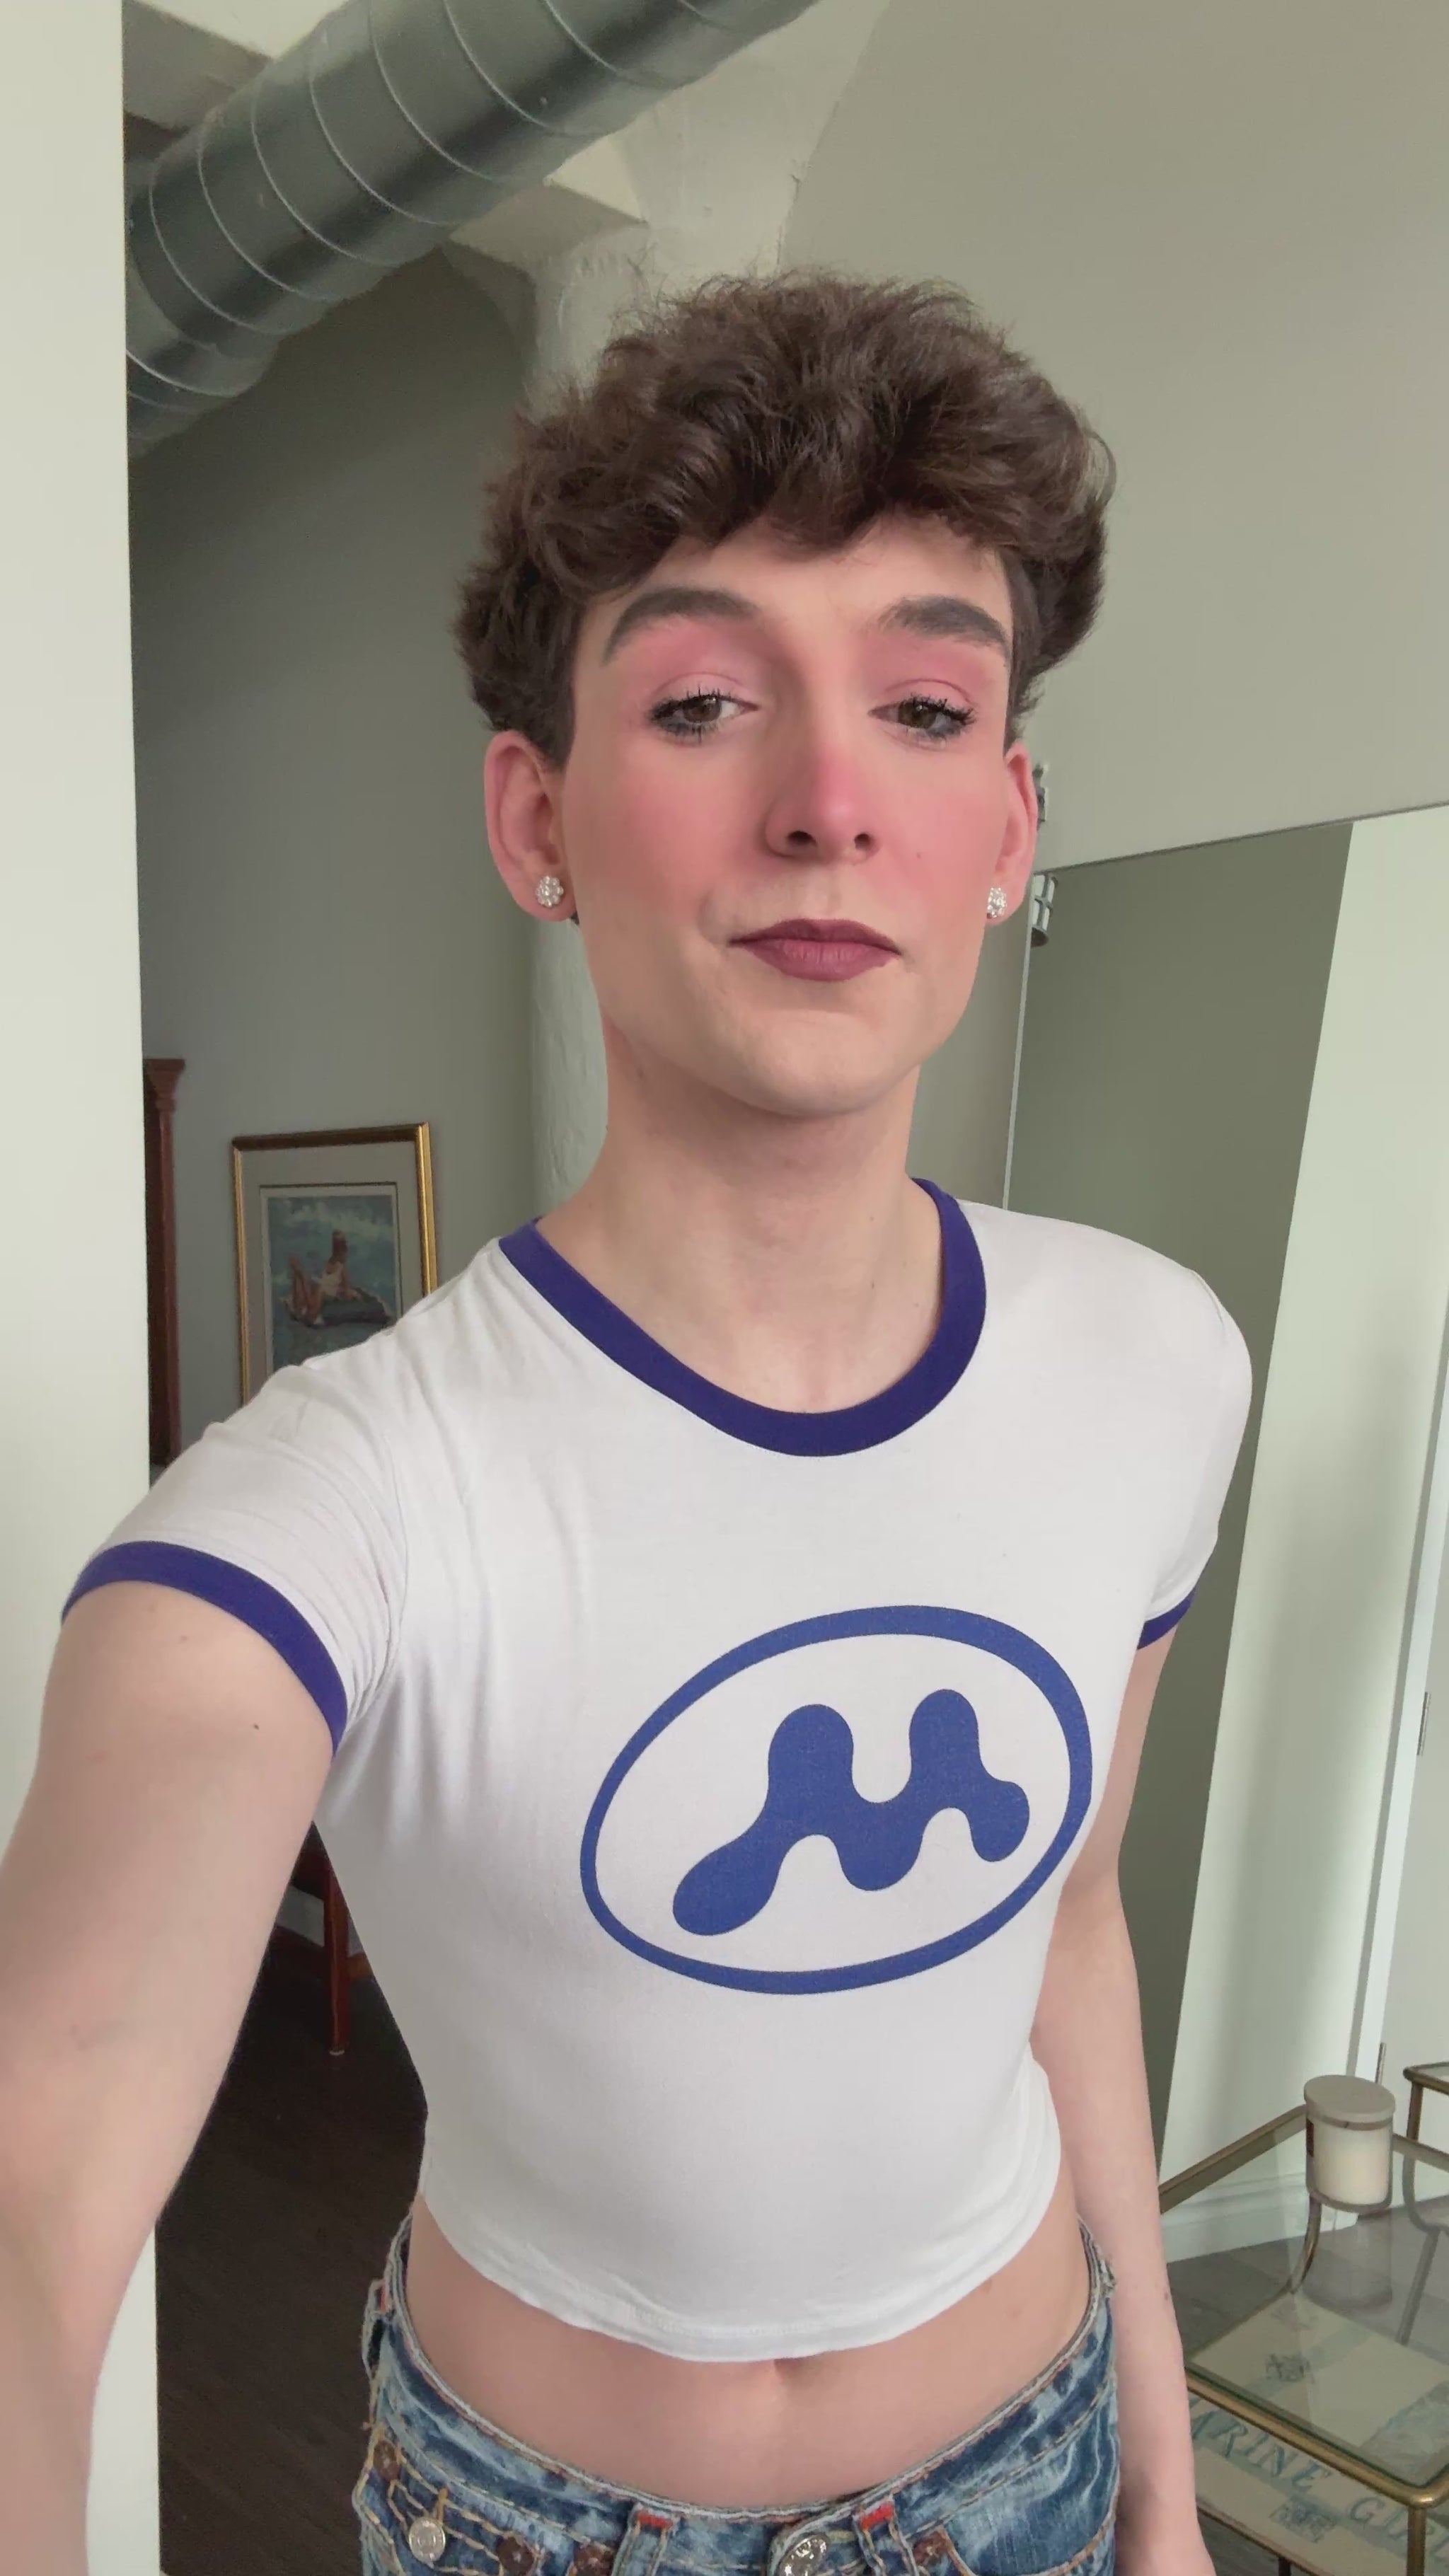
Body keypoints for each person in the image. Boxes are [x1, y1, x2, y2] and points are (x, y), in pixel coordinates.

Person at [0, 269, 1252, 2576]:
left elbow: (1068, 1921)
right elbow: (35, 2184)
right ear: (538, 817)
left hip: (1043, 2459)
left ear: (1006, 823)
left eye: (924, 706)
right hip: (532, 2524)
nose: (827, 804)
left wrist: (1164, 2484)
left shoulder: (1158, 1366)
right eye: (700, 701)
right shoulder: (321, 1520)